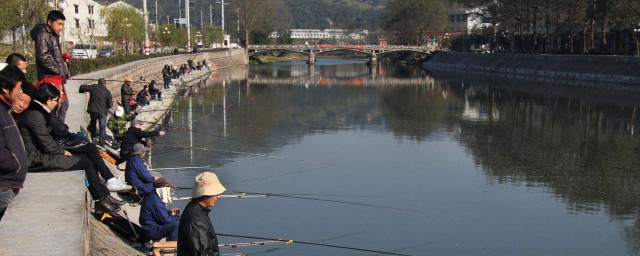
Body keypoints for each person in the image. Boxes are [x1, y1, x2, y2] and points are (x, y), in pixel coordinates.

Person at [17, 83, 126, 213]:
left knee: (88, 152)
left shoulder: (39, 112)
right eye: (56, 100)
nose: (58, 103)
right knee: (85, 163)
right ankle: (101, 199)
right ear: (48, 100)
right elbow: (45, 142)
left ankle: (104, 195)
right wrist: (62, 151)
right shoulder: (35, 115)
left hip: (42, 152)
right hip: (35, 158)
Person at [125, 143, 180, 241]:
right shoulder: (155, 200)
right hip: (139, 187)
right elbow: (165, 220)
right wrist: (177, 217)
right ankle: (170, 249)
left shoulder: (132, 159)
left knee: (173, 221)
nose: (145, 153)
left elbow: (161, 214)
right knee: (176, 224)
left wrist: (169, 212)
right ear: (140, 153)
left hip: (149, 226)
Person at [31, 10, 70, 122]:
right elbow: (43, 56)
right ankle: (57, 132)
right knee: (58, 106)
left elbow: (51, 55)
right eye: (59, 24)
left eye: (62, 24)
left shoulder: (51, 35)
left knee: (62, 105)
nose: (61, 27)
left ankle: (58, 130)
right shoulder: (44, 35)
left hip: (54, 77)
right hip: (49, 78)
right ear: (49, 22)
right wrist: (58, 70)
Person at [0, 72, 28, 221]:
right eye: (19, 87)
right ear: (5, 88)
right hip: (4, 184)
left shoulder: (6, 110)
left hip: (10, 183)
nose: (21, 92)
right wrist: (14, 164)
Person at [177, 172, 226, 255]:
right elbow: (203, 253)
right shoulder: (197, 219)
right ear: (204, 194)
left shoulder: (194, 208)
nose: (218, 196)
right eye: (215, 193)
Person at [79, 78, 113, 146]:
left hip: (93, 111)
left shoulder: (94, 87)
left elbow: (82, 86)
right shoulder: (107, 92)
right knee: (102, 128)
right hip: (102, 112)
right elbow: (110, 105)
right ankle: (101, 143)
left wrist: (81, 91)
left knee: (93, 123)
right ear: (105, 83)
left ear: (98, 82)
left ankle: (93, 137)